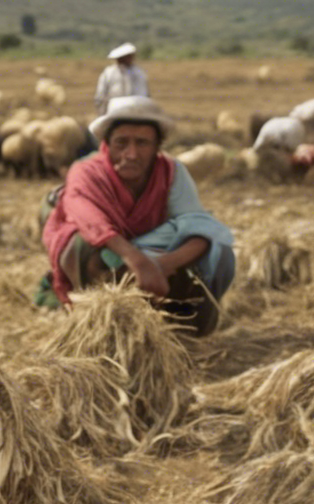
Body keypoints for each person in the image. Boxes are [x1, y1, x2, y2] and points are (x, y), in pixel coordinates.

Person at [37, 97, 235, 336]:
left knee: (219, 251)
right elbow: (92, 222)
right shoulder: (86, 171)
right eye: (121, 143)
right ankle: (95, 320)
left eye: (142, 143)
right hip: (111, 247)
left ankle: (190, 325)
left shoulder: (171, 173)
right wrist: (137, 260)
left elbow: (198, 227)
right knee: (78, 243)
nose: (131, 154)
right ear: (106, 145)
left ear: (156, 147)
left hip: (154, 249)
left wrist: (162, 265)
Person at [94, 43, 149, 116]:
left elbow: (146, 94)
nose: (131, 58)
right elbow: (100, 96)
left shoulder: (139, 72)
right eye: (128, 56)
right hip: (114, 111)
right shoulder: (109, 73)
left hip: (138, 110)